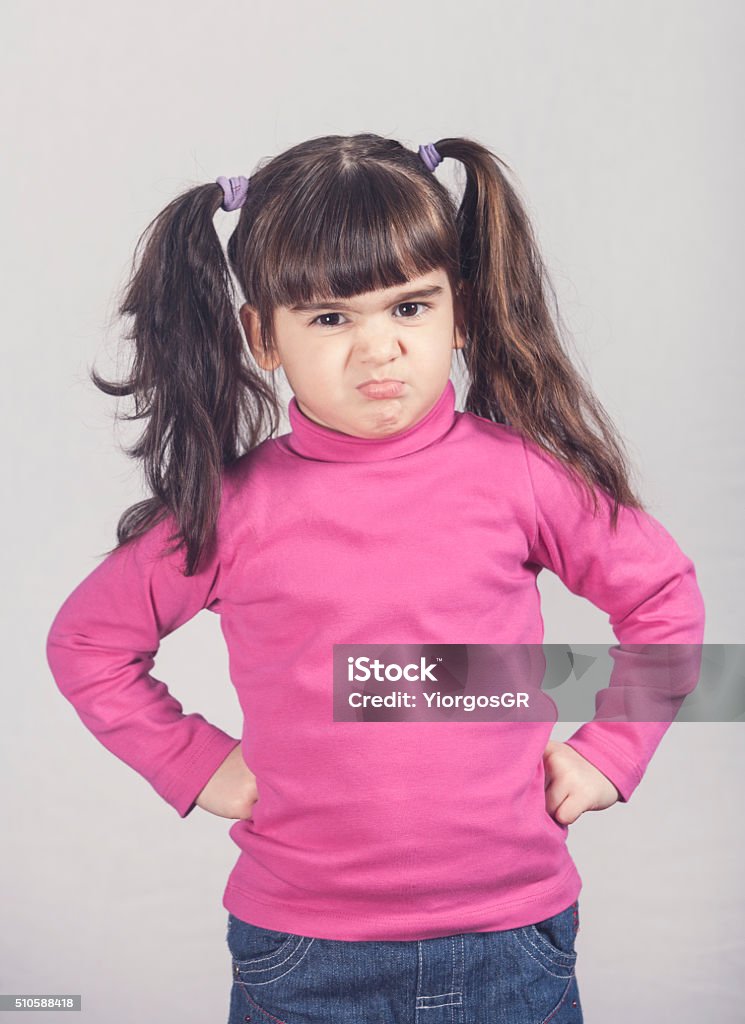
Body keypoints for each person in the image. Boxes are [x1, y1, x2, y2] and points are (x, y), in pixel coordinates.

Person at [45, 133, 705, 1023]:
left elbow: (662, 600)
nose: (377, 350)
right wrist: (196, 765)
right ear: (261, 337)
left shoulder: (518, 476)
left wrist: (610, 756)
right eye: (329, 319)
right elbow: (88, 642)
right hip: (304, 954)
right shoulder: (233, 510)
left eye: (408, 308)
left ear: (458, 312)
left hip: (510, 939)